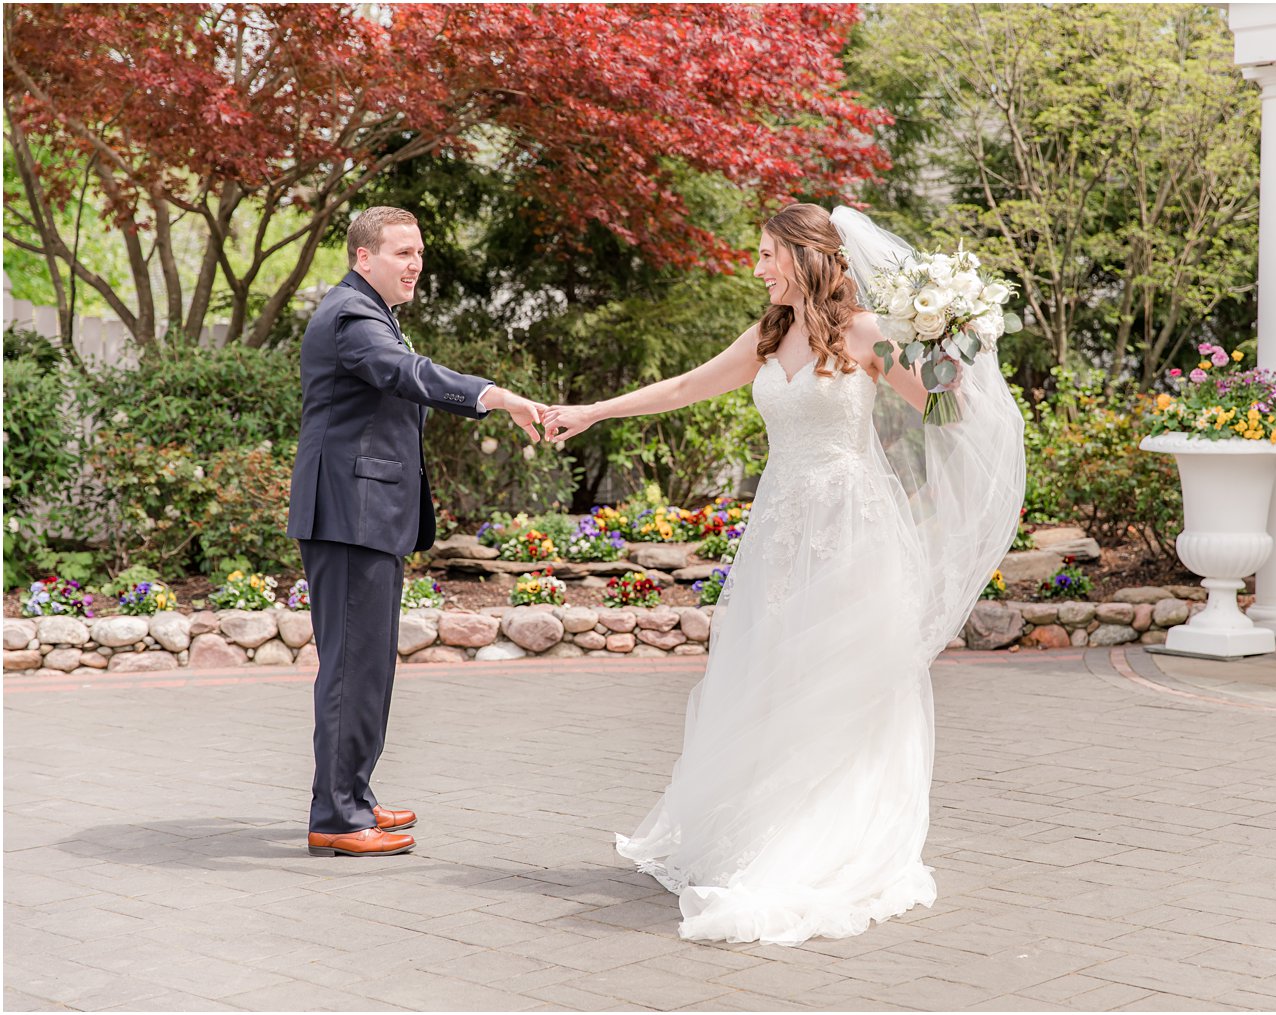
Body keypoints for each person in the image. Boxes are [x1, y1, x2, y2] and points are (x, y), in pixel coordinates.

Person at [543, 203, 1025, 943]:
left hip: (851, 530)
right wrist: (591, 411)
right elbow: (681, 388)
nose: (760, 266)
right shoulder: (768, 337)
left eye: (769, 253)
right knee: (776, 673)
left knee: (837, 676)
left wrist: (948, 350)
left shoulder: (864, 334)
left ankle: (825, 835)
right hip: (779, 531)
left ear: (805, 256)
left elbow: (940, 411)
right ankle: (766, 822)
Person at [287, 206, 545, 858]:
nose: (416, 264)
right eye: (403, 252)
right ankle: (338, 816)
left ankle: (354, 795)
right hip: (349, 515)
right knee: (352, 668)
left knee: (368, 666)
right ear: (362, 257)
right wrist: (494, 395)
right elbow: (410, 375)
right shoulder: (352, 317)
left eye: (420, 252)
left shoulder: (371, 313)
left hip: (364, 515)